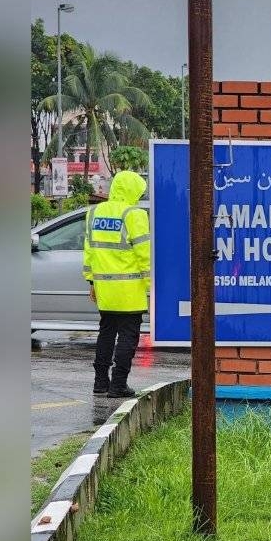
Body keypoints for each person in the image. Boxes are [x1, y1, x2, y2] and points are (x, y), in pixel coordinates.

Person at [83, 170, 151, 398]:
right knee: (128, 337)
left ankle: (100, 382)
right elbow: (144, 253)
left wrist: (91, 281)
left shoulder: (94, 212)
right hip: (129, 290)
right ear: (131, 190)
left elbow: (89, 251)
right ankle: (118, 384)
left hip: (104, 288)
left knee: (106, 333)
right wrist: (152, 284)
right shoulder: (135, 214)